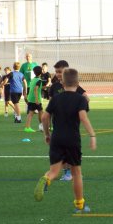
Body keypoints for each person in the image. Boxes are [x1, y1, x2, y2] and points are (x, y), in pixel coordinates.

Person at [33, 68, 97, 214]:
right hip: (72, 139)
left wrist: (47, 134)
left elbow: (44, 117)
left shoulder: (56, 98)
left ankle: (46, 178)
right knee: (76, 173)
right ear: (78, 83)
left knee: (54, 171)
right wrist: (92, 135)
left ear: (62, 83)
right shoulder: (80, 99)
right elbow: (83, 117)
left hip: (56, 137)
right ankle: (79, 205)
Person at [49, 60, 91, 181]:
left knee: (71, 148)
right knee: (61, 150)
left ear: (66, 71)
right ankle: (68, 172)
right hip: (57, 123)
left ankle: (71, 172)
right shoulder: (54, 87)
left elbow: (86, 97)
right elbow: (51, 105)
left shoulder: (73, 85)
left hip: (71, 124)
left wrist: (79, 111)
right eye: (56, 72)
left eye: (60, 71)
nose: (57, 74)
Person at [25, 66, 44, 133]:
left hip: (30, 98)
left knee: (30, 113)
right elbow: (36, 89)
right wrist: (36, 100)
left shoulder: (33, 79)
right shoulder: (39, 80)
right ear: (41, 72)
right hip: (36, 100)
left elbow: (32, 88)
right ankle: (42, 126)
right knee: (41, 112)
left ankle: (27, 127)